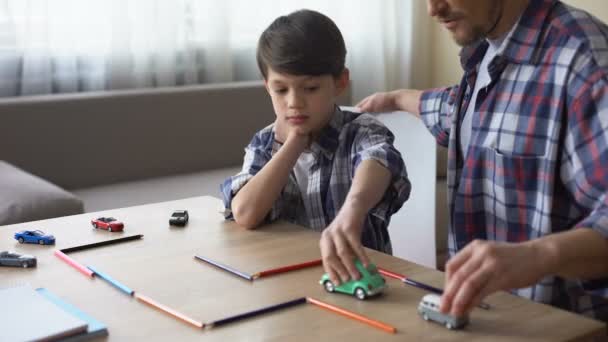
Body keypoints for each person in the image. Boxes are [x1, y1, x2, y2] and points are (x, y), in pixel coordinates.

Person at [357, 0, 608, 322]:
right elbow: (458, 114)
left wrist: (540, 255)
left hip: (566, 327)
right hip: (490, 320)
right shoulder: (487, 52)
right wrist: (397, 98)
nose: (433, 10)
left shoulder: (586, 61)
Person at [221, 9, 411, 286]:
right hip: (290, 284)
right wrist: (295, 141)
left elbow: (380, 160)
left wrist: (352, 211)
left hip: (357, 280)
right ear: (267, 87)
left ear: (340, 82)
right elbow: (246, 213)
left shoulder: (361, 131)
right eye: (281, 90)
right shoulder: (264, 144)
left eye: (310, 88)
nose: (294, 102)